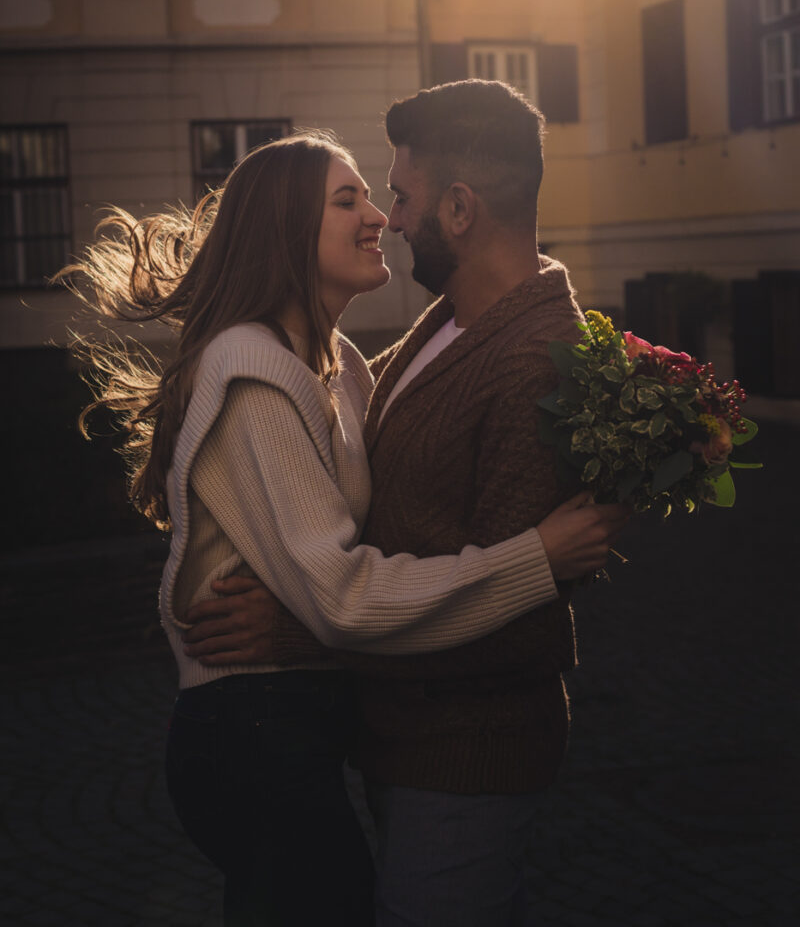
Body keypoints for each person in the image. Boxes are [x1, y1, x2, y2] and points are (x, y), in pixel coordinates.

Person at [61, 126, 626, 927]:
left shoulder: (342, 368)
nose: (379, 219)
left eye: (378, 196)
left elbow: (444, 402)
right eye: (349, 198)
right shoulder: (252, 369)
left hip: (302, 726)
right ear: (287, 231)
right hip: (250, 732)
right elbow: (344, 595)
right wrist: (536, 556)